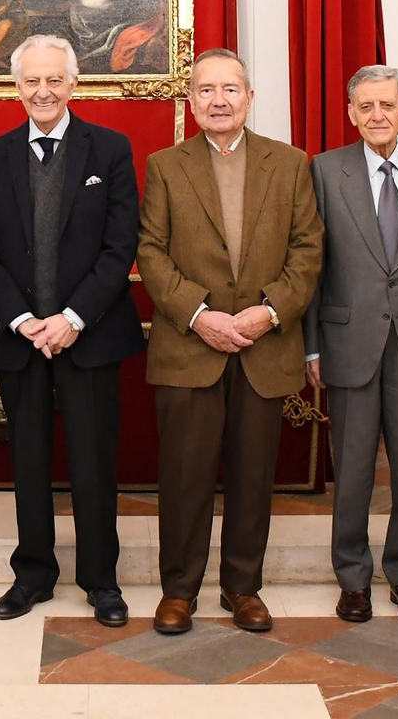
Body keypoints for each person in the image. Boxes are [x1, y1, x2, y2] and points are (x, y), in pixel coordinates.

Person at [138, 48, 323, 635]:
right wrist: (199, 316)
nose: (218, 100)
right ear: (191, 101)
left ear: (249, 97)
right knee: (185, 477)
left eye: (230, 89)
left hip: (264, 347)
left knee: (252, 478)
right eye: (206, 90)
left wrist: (268, 313)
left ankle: (243, 588)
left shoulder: (291, 164)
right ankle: (179, 591)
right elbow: (150, 252)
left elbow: (308, 250)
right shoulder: (165, 165)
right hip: (190, 348)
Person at [0, 34, 143, 628]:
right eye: (31, 81)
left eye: (54, 80)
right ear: (16, 87)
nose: (43, 91)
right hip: (22, 341)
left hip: (88, 338)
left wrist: (70, 320)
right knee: (29, 462)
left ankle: (101, 581)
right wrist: (23, 321)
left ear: (74, 83)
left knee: (94, 465)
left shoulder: (111, 149)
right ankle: (33, 575)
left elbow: (120, 249)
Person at [304, 65, 398, 627]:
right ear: (351, 113)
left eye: (386, 105)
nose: (376, 116)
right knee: (353, 472)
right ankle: (352, 578)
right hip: (349, 342)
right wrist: (312, 348)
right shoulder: (325, 170)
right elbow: (311, 266)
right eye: (365, 106)